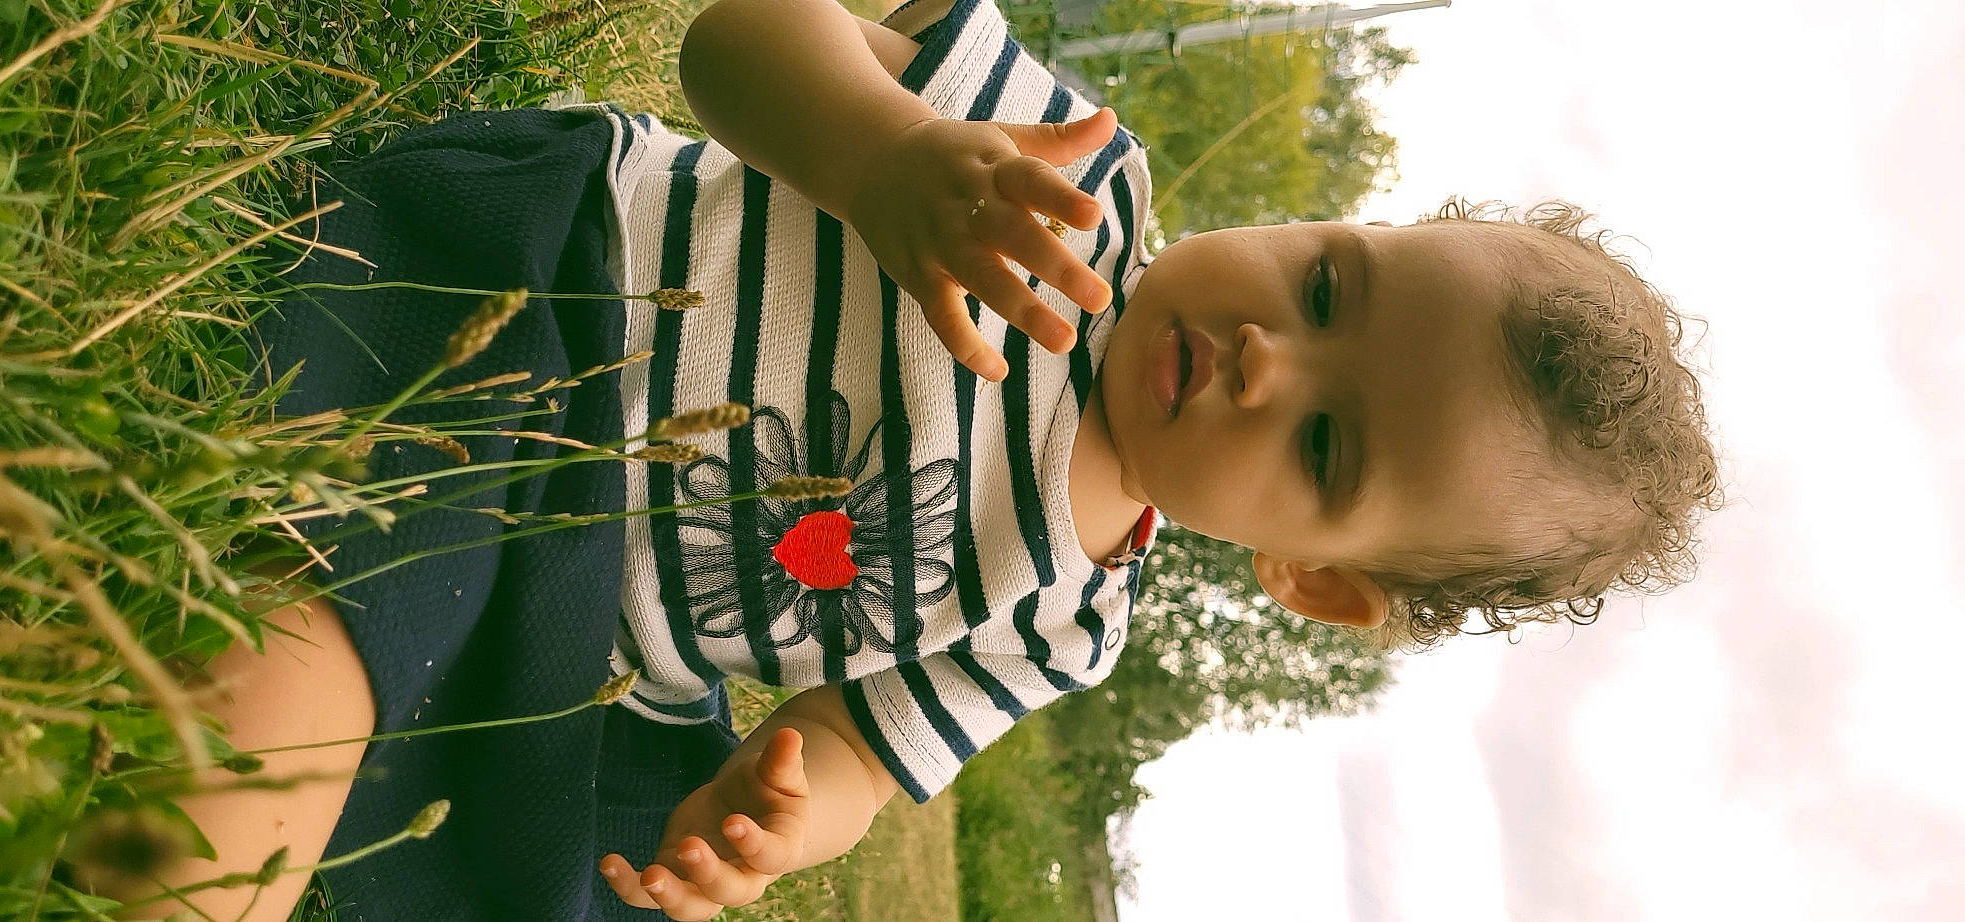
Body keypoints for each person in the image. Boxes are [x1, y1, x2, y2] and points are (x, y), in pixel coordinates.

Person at [106, 0, 1722, 919]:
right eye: (1323, 287)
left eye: (1322, 438)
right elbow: (744, 41)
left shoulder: (1060, 623)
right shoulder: (1067, 173)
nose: (1262, 356)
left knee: (550, 873)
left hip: (570, 622)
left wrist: (785, 812)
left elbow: (867, 744)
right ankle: (187, 783)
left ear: (1318, 581)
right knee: (249, 768)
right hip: (526, 314)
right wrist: (882, 154)